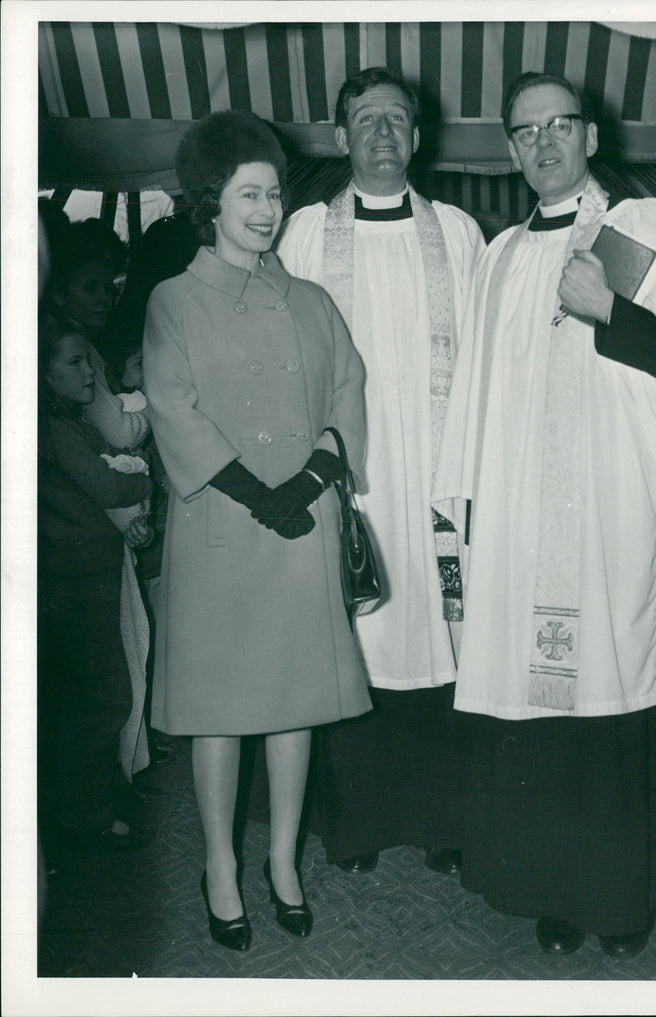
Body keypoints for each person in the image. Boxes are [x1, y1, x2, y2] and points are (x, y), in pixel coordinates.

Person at [433, 72, 656, 958]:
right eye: (524, 131)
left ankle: (627, 895)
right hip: (520, 521)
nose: (543, 144)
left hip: (619, 510)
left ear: (589, 134)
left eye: (559, 126)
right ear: (508, 147)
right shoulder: (498, 256)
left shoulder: (635, 230)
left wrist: (613, 311)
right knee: (541, 707)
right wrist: (462, 515)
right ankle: (555, 887)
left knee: (618, 691)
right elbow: (475, 396)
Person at [143, 110, 371, 950]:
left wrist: (312, 477)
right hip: (225, 533)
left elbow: (349, 389)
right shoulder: (174, 301)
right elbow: (173, 405)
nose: (266, 209)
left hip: (300, 525)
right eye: (249, 194)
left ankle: (281, 861)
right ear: (210, 201)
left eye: (274, 193)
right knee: (220, 713)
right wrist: (252, 490)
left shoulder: (311, 301)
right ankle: (218, 866)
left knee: (293, 706)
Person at [277, 67, 485, 876]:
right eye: (366, 120)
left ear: (418, 137)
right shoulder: (302, 235)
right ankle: (357, 824)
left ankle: (443, 820)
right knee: (351, 645)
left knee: (443, 639)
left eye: (397, 119)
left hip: (438, 481)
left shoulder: (461, 234)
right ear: (340, 138)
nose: (383, 134)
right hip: (347, 480)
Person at [38, 318, 153, 860]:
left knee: (98, 695)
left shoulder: (73, 421)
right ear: (43, 374)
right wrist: (146, 477)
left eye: (90, 360)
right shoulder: (57, 430)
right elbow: (106, 484)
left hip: (92, 571)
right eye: (75, 363)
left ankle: (89, 804)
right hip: (75, 579)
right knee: (105, 697)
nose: (91, 370)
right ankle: (83, 814)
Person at [41, 230, 150, 452]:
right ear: (59, 295)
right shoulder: (75, 350)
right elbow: (123, 436)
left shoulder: (80, 342)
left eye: (108, 290)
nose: (104, 299)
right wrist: (158, 402)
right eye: (89, 289)